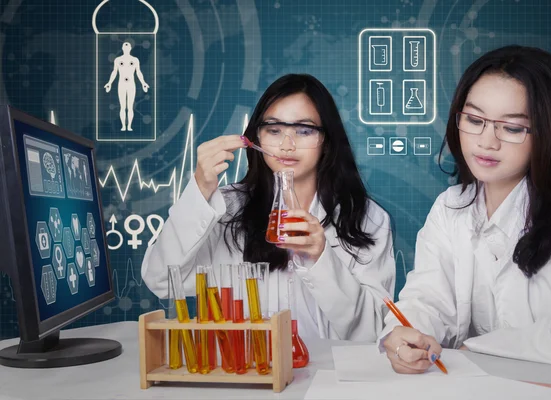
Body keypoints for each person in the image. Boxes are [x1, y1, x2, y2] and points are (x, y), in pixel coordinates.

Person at [380, 45, 551, 373]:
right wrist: (405, 335)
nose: (487, 141)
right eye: (474, 119)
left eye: (511, 128)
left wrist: (483, 347)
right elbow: (427, 298)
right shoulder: (450, 207)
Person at [142, 73, 396, 341]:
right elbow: (161, 280)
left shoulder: (366, 217)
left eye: (304, 130)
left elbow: (373, 331)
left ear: (327, 140)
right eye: (274, 130)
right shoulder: (225, 209)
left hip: (330, 378)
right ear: (256, 138)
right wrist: (201, 189)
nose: (287, 145)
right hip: (248, 374)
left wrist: (321, 258)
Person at [104, 41, 149, 131]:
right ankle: (124, 126)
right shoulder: (118, 60)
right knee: (123, 107)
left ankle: (129, 126)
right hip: (122, 85)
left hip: (131, 85)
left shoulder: (135, 60)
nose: (126, 49)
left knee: (130, 106)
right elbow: (114, 72)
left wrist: (144, 83)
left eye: (128, 47)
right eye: (125, 47)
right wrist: (109, 83)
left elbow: (138, 72)